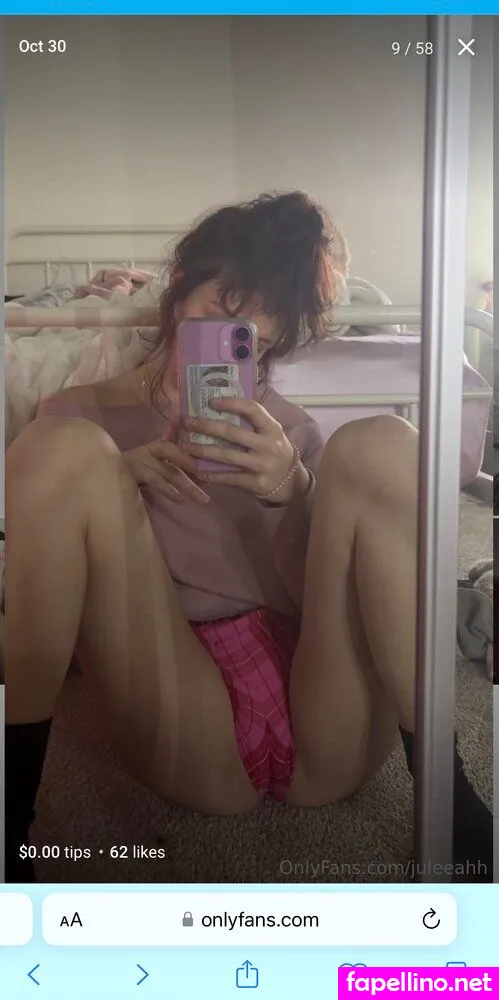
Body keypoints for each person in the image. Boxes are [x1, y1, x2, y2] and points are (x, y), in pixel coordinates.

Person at [6, 191, 492, 882]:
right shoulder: (77, 417)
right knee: (58, 449)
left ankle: (451, 802)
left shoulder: (287, 432)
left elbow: (343, 595)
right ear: (178, 289)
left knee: (383, 440)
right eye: (219, 314)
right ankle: (10, 821)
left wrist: (294, 489)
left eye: (254, 342)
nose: (233, 346)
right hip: (186, 709)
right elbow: (57, 614)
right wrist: (111, 486)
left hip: (327, 709)